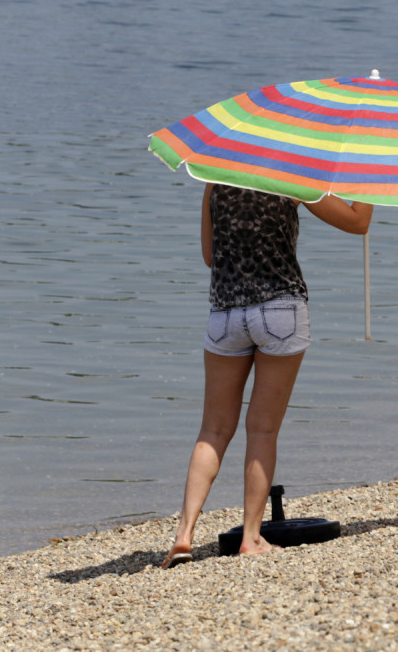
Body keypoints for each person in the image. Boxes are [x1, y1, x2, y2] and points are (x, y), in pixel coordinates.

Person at [161, 183, 373, 569]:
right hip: (280, 309)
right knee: (261, 429)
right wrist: (371, 182)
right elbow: (357, 222)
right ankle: (252, 537)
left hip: (224, 313)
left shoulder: (214, 180)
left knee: (213, 430)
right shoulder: (291, 176)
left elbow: (211, 257)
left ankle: (184, 535)